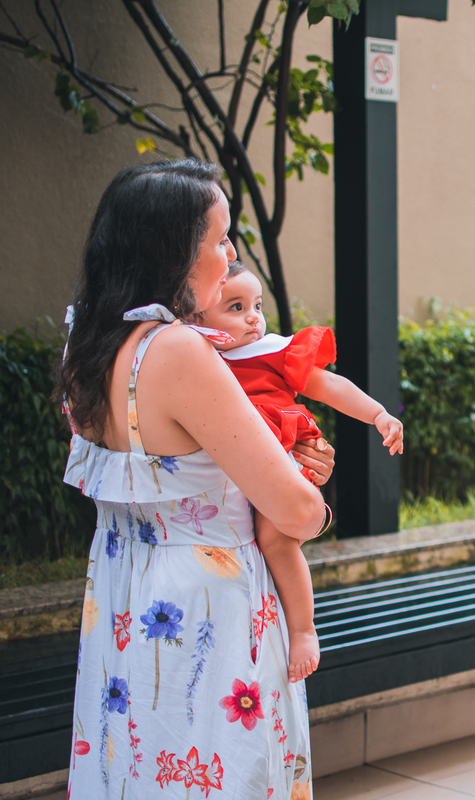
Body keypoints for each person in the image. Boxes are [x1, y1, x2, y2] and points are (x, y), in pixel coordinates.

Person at [58, 159, 334, 797]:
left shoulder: (89, 347)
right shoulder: (178, 350)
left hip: (125, 600)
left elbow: (158, 477)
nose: (230, 252)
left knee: (136, 768)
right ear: (174, 253)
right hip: (206, 610)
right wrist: (314, 504)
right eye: (218, 238)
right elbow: (291, 510)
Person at [191, 261, 403, 682]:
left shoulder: (267, 349)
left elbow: (329, 386)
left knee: (276, 540)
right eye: (235, 307)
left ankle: (304, 629)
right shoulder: (192, 357)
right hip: (221, 491)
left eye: (256, 304)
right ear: (197, 317)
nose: (253, 317)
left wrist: (378, 414)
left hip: (277, 457)